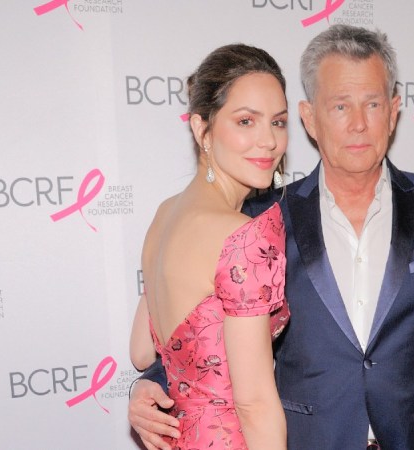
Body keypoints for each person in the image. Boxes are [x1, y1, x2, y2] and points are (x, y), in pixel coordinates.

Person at [129, 25, 414, 450]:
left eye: (373, 104)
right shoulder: (260, 220)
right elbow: (202, 330)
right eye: (340, 106)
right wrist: (150, 387)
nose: (359, 124)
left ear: (394, 111)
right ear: (309, 118)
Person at [128, 43, 291, 450]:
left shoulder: (165, 215)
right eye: (246, 121)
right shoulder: (242, 234)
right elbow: (254, 403)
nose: (268, 141)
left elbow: (142, 352)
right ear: (202, 128)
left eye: (278, 122)